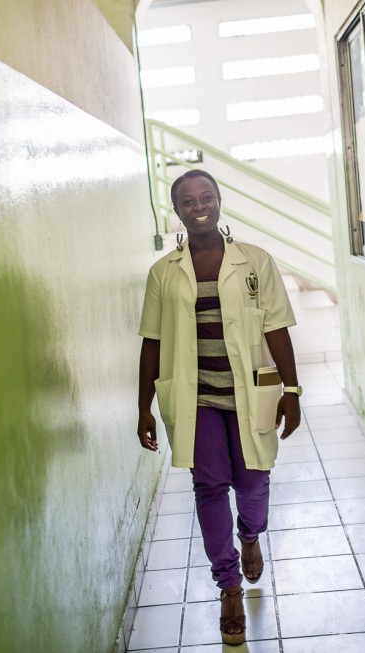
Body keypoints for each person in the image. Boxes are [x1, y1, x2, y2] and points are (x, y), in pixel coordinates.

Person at [136, 169, 302, 646]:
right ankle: (228, 584)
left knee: (254, 483)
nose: (198, 205)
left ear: (219, 200)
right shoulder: (163, 273)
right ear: (177, 211)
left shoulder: (255, 261)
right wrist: (143, 405)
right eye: (187, 201)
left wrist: (292, 391)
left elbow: (277, 328)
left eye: (206, 196)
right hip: (198, 399)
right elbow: (152, 341)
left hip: (250, 393)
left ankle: (251, 534)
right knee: (209, 487)